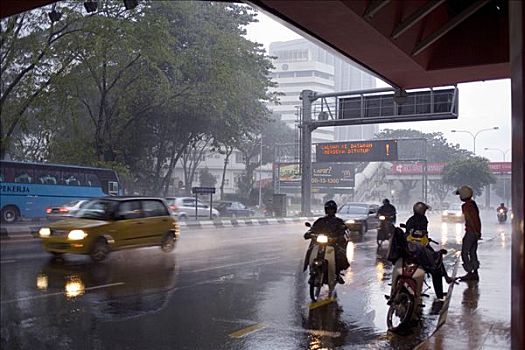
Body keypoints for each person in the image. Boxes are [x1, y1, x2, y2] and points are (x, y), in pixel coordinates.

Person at [404, 202, 455, 300]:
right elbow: (423, 233)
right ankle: (441, 291)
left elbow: (408, 233)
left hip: (410, 248)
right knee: (436, 262)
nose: (425, 212)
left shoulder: (410, 220)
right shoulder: (422, 219)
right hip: (420, 248)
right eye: (424, 210)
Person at [304, 200, 349, 284]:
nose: (330, 211)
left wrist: (338, 237)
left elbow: (344, 231)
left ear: (334, 210)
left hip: (333, 244)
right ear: (326, 210)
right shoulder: (320, 220)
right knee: (310, 250)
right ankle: (312, 272)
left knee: (339, 255)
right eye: (328, 209)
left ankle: (337, 273)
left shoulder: (339, 221)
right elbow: (313, 228)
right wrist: (309, 233)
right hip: (319, 243)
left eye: (332, 209)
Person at [455, 185, 481, 281]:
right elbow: (477, 219)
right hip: (475, 232)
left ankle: (469, 273)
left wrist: (473, 231)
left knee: (464, 253)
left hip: (470, 232)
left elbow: (469, 219)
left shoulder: (466, 206)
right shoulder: (473, 204)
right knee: (473, 252)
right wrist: (478, 232)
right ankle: (475, 273)